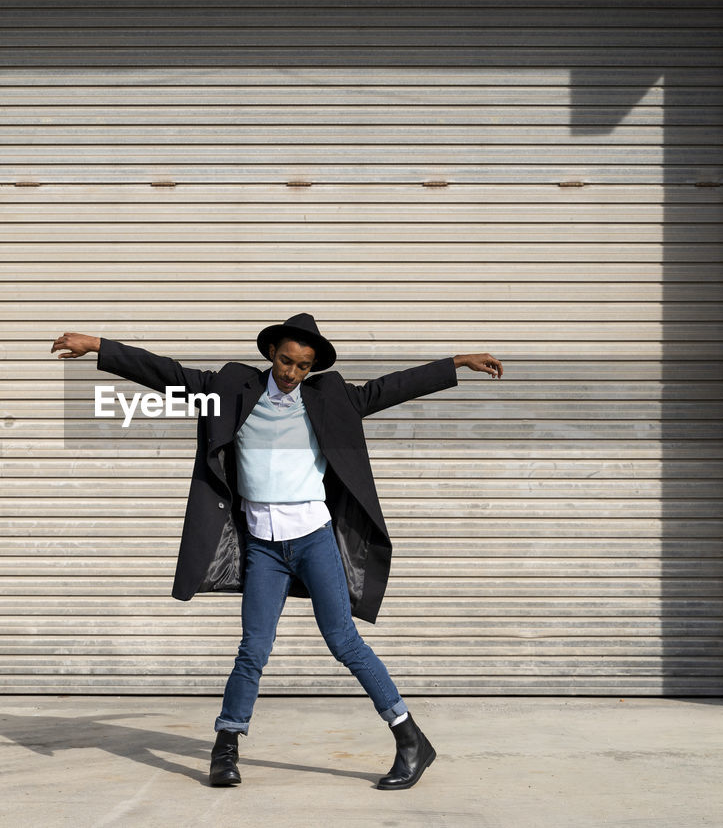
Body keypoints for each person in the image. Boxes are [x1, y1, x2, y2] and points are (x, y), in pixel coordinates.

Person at [52, 314, 503, 790]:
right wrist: (100, 347)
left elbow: (391, 388)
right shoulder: (231, 387)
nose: (292, 373)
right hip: (263, 548)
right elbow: (169, 374)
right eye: (286, 361)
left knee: (344, 642)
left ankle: (410, 738)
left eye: (303, 366)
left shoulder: (329, 397)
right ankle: (225, 746)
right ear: (272, 354)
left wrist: (455, 363)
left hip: (314, 539)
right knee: (253, 649)